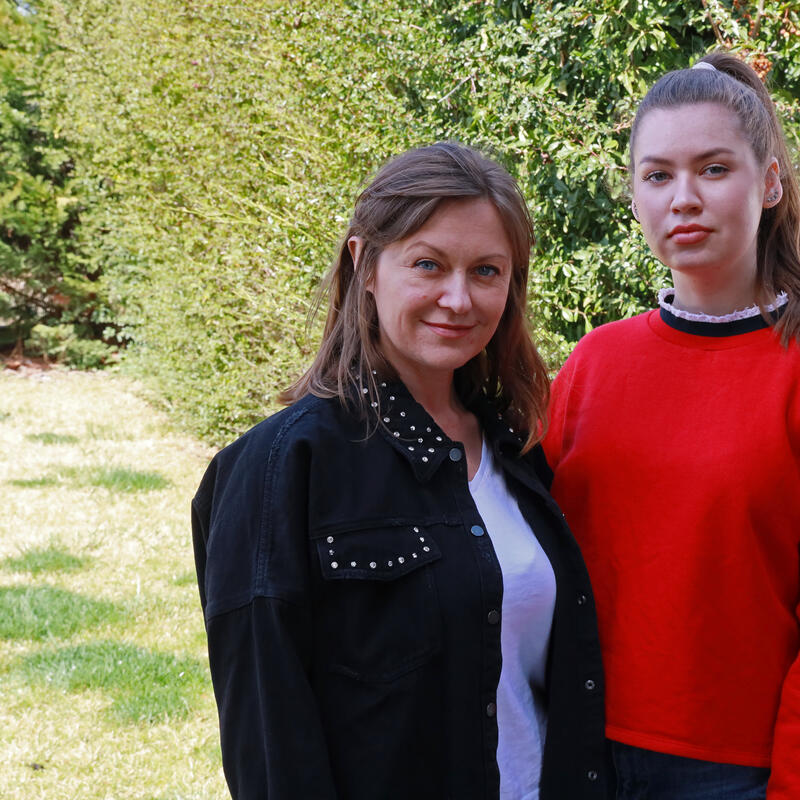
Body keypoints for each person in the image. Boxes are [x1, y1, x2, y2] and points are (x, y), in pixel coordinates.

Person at [192, 142, 606, 800]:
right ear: (367, 265)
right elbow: (270, 746)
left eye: (487, 271)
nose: (458, 298)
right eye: (428, 264)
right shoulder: (281, 467)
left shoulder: (518, 454)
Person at [543, 53, 800, 799]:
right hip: (569, 747)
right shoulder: (593, 364)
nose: (684, 199)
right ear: (635, 195)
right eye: (657, 175)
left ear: (769, 182)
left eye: (713, 170)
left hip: (733, 776)